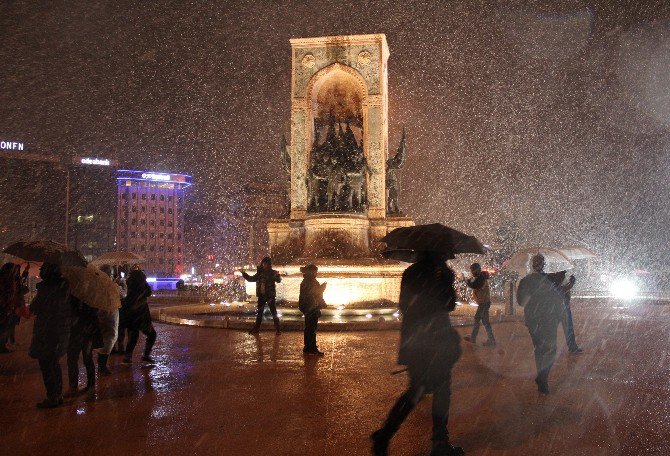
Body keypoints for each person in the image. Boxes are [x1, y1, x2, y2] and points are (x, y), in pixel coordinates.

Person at [372, 251, 464, 456]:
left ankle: (385, 434)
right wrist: (447, 282)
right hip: (435, 339)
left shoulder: (411, 272)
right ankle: (439, 441)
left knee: (416, 390)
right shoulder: (441, 274)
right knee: (441, 390)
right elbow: (448, 305)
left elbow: (405, 305)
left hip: (415, 339)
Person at [517, 254, 565, 395]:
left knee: (539, 349)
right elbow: (559, 299)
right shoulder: (551, 279)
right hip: (549, 320)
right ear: (543, 265)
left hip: (533, 320)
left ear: (532, 265)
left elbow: (520, 302)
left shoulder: (525, 281)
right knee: (551, 350)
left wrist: (532, 295)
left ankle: (541, 377)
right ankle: (542, 377)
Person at [29, 263, 73, 408]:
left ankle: (52, 396)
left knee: (47, 364)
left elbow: (35, 307)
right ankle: (58, 394)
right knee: (54, 363)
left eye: (42, 270)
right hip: (60, 331)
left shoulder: (47, 289)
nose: (40, 271)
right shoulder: (65, 287)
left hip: (47, 332)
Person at [120, 269, 157, 364]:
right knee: (152, 335)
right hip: (141, 317)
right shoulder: (143, 287)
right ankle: (146, 355)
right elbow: (149, 292)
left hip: (130, 317)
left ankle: (127, 358)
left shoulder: (128, 285)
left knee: (132, 337)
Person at [66, 296, 100, 394]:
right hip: (79, 332)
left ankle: (88, 385)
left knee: (85, 358)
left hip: (84, 332)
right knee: (75, 359)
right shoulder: (86, 298)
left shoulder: (87, 298)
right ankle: (76, 386)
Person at [240, 257, 282, 334]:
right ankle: (256, 328)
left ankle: (278, 329)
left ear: (269, 264)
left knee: (274, 313)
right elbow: (251, 279)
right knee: (260, 313)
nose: (265, 265)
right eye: (264, 263)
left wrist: (277, 275)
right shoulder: (260, 273)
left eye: (267, 263)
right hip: (262, 295)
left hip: (270, 296)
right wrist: (244, 273)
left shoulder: (273, 272)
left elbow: (279, 280)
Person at [548, 270, 582, 354]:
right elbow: (561, 290)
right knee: (566, 327)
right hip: (560, 306)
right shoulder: (555, 277)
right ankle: (571, 347)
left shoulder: (554, 276)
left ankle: (571, 347)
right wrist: (571, 283)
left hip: (558, 306)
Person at [463, 263, 496, 347]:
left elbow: (475, 286)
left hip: (483, 303)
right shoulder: (480, 277)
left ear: (476, 270)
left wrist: (468, 281)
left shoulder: (481, 278)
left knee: (477, 319)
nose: (472, 273)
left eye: (472, 270)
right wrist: (469, 281)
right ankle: (491, 340)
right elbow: (475, 284)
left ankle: (474, 338)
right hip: (484, 303)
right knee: (485, 322)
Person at [298, 264, 327, 356]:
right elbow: (312, 293)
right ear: (311, 272)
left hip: (310, 307)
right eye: (315, 271)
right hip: (311, 308)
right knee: (311, 329)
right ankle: (311, 348)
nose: (316, 273)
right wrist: (322, 288)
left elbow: (314, 294)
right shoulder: (308, 281)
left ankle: (308, 348)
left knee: (309, 328)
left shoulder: (308, 280)